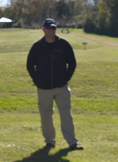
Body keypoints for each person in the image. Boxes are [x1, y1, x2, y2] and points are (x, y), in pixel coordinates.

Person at [26, 18, 83, 151]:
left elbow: (72, 63)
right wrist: (37, 81)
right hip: (44, 89)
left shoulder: (63, 44)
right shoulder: (37, 46)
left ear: (55, 29)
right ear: (43, 29)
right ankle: (49, 141)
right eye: (48, 28)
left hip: (61, 87)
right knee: (46, 116)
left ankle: (72, 142)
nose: (51, 30)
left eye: (53, 28)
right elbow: (30, 65)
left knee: (66, 115)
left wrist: (65, 78)